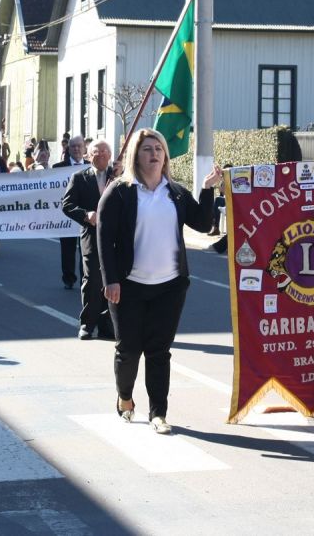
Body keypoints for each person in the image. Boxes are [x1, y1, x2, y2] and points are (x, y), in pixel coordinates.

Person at [97, 128, 223, 435]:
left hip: (170, 286)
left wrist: (207, 189)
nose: (154, 154)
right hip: (129, 286)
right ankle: (125, 396)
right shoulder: (120, 191)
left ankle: (158, 413)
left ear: (165, 155)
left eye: (158, 149)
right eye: (146, 149)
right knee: (128, 350)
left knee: (159, 351)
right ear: (135, 156)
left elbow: (204, 223)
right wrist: (111, 280)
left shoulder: (175, 192)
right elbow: (104, 237)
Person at [63, 139, 118, 340]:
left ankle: (107, 325)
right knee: (93, 280)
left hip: (116, 238)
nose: (101, 154)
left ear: (110, 154)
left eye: (105, 151)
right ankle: (87, 324)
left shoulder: (120, 176)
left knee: (112, 280)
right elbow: (67, 205)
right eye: (96, 151)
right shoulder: (79, 178)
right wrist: (86, 215)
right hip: (91, 236)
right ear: (88, 155)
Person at [54, 136, 88, 289]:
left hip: (86, 215)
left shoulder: (91, 166)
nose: (76, 149)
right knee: (67, 250)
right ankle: (68, 278)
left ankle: (85, 279)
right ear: (68, 149)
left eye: (79, 146)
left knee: (86, 250)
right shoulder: (58, 168)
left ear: (84, 148)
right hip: (66, 214)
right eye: (73, 146)